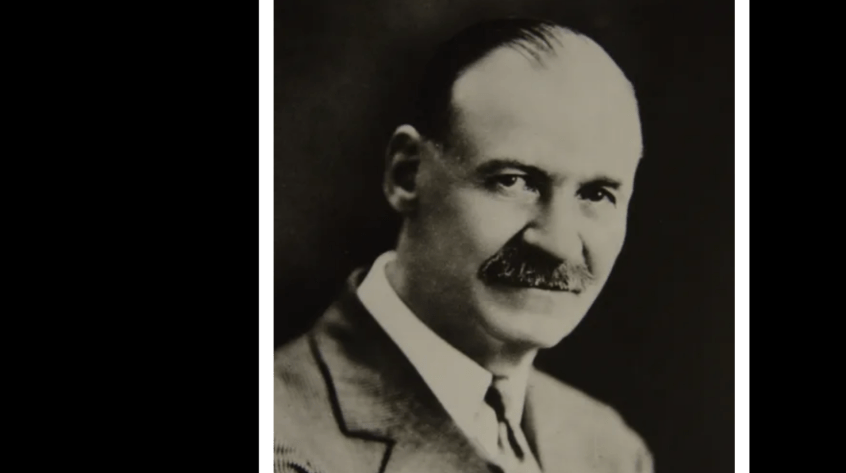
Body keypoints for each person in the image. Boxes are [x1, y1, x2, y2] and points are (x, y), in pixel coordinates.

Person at [275, 17, 652, 473]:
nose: (558, 244)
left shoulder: (611, 452)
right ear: (407, 174)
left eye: (596, 194)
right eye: (513, 181)